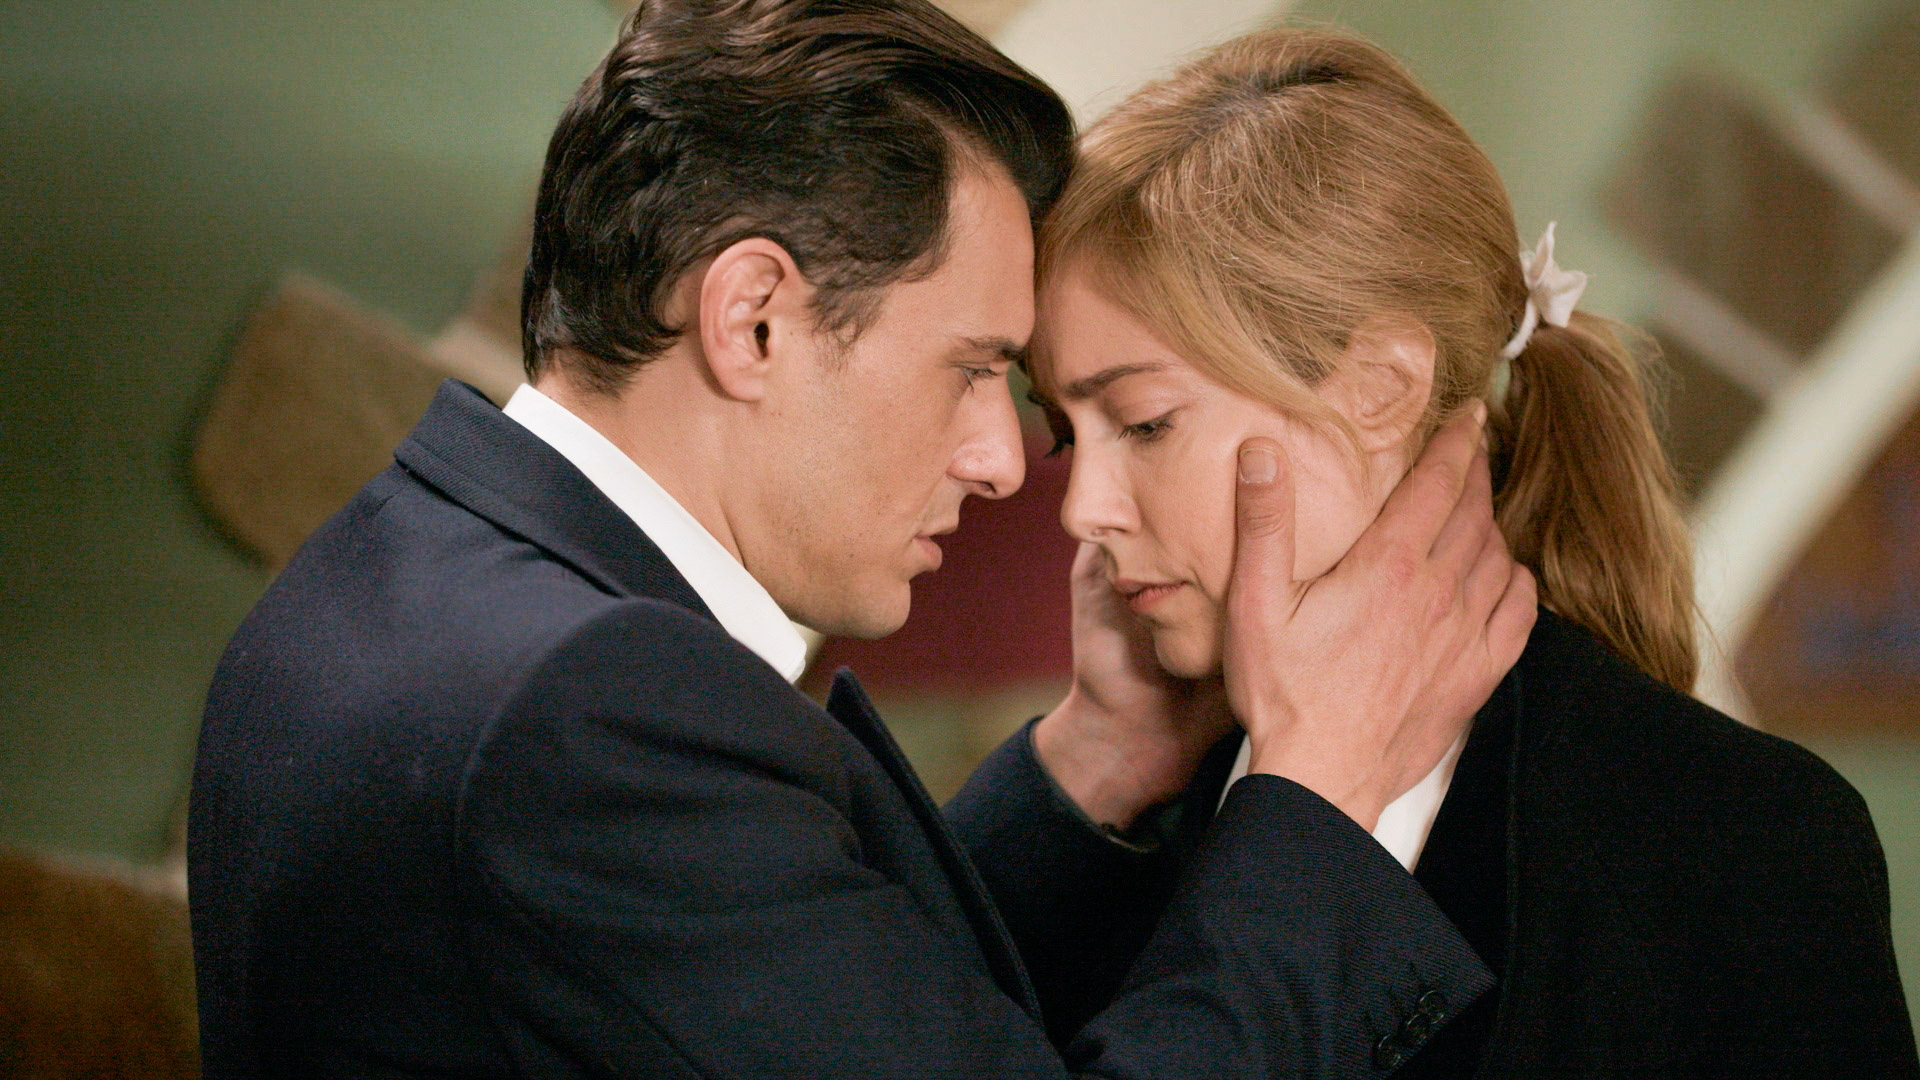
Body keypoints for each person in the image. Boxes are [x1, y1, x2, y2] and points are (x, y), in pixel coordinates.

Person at [188, 3, 1538, 1078]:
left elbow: (813, 1002)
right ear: (755, 319)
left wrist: (1096, 755)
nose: (1003, 461)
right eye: (972, 368)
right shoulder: (588, 715)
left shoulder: (399, 570)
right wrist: (1321, 793)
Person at [1012, 24, 1920, 1079]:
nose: (1080, 510)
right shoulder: (1109, 835)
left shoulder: (1741, 842)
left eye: (1145, 421)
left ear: (1383, 387)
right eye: (1068, 434)